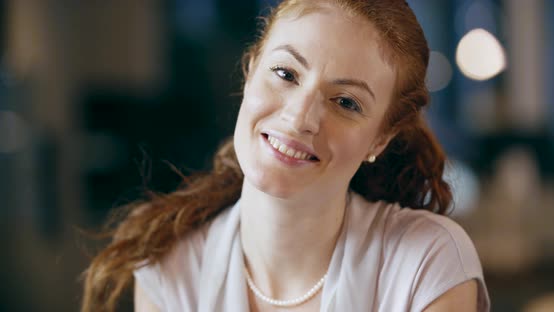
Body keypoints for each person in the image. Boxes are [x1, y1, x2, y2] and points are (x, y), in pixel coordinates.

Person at [82, 0, 490, 311]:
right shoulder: (170, 270)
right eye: (286, 74)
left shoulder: (427, 263)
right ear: (250, 69)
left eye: (346, 102)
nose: (300, 118)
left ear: (379, 140)